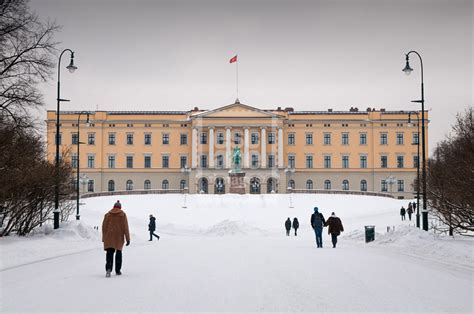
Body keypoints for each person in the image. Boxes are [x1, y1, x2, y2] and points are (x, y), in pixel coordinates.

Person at [102, 200, 130, 277]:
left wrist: (104, 238)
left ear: (113, 207)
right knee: (118, 253)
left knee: (109, 253)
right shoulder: (123, 215)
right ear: (120, 207)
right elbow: (125, 227)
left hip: (109, 236)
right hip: (119, 237)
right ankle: (117, 271)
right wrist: (128, 239)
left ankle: (108, 269)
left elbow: (104, 227)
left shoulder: (107, 215)